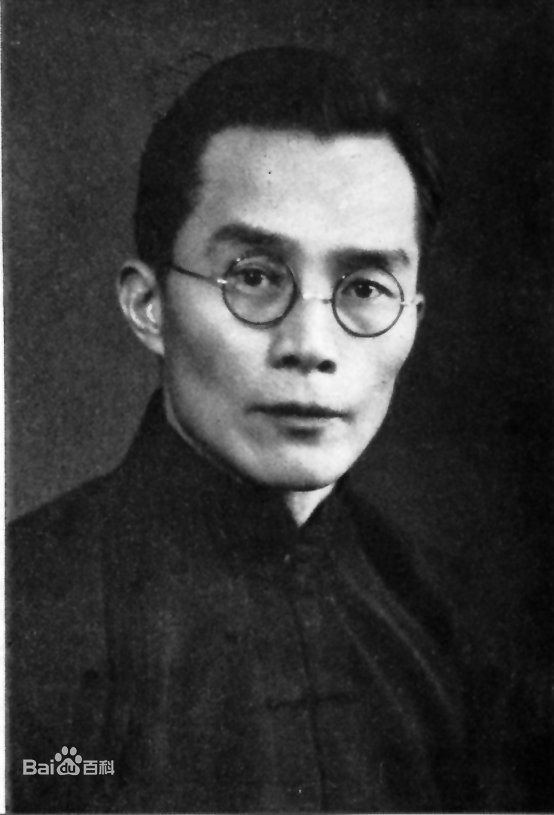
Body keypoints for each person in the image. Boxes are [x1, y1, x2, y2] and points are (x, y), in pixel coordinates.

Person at [9, 46, 473, 812]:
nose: (311, 346)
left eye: (364, 287)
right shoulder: (22, 613)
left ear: (414, 319)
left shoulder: (453, 625)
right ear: (149, 306)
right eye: (254, 277)